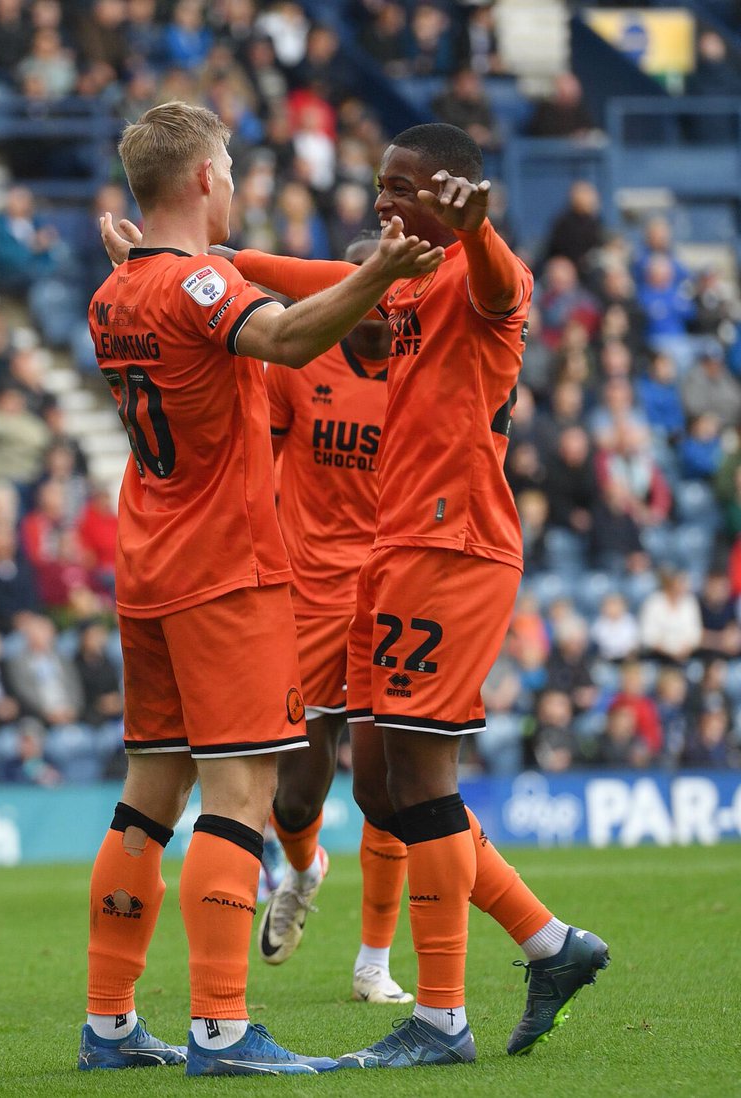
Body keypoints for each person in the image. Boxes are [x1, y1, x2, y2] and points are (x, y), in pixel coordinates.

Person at [215, 123, 608, 1067]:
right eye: (378, 184)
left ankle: (440, 1017)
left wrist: (477, 230)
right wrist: (221, 258)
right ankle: (551, 944)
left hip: (454, 544)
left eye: (402, 187)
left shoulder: (480, 277)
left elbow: (505, 288)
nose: (383, 201)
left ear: (454, 191)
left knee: (422, 780)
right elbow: (320, 280)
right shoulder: (409, 285)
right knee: (381, 785)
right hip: (400, 548)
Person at [79, 100, 444, 1077]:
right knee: (239, 794)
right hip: (223, 569)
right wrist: (377, 272)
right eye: (232, 168)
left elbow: (189, 294)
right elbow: (280, 342)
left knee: (148, 796)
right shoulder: (199, 281)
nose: (238, 184)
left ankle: (110, 1022)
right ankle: (223, 1028)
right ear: (203, 178)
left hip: (148, 562)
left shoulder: (116, 290)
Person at [194, 232, 414, 1003]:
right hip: (309, 594)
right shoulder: (303, 364)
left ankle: (373, 964)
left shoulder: (421, 372)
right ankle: (304, 866)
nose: (379, 308)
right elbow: (259, 463)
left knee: (387, 785)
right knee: (296, 796)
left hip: (392, 595)